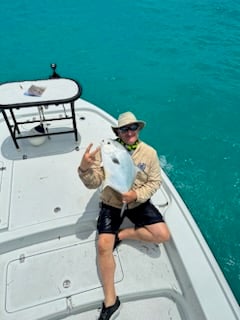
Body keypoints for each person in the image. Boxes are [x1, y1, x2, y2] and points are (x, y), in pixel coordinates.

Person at [78, 111, 170, 320]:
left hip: (137, 201)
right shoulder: (108, 149)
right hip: (111, 201)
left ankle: (124, 234)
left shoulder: (149, 153)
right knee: (103, 246)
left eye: (133, 127)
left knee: (162, 235)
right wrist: (84, 168)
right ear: (117, 132)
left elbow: (155, 182)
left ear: (138, 129)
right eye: (124, 129)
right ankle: (111, 301)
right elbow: (95, 181)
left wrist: (136, 194)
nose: (129, 132)